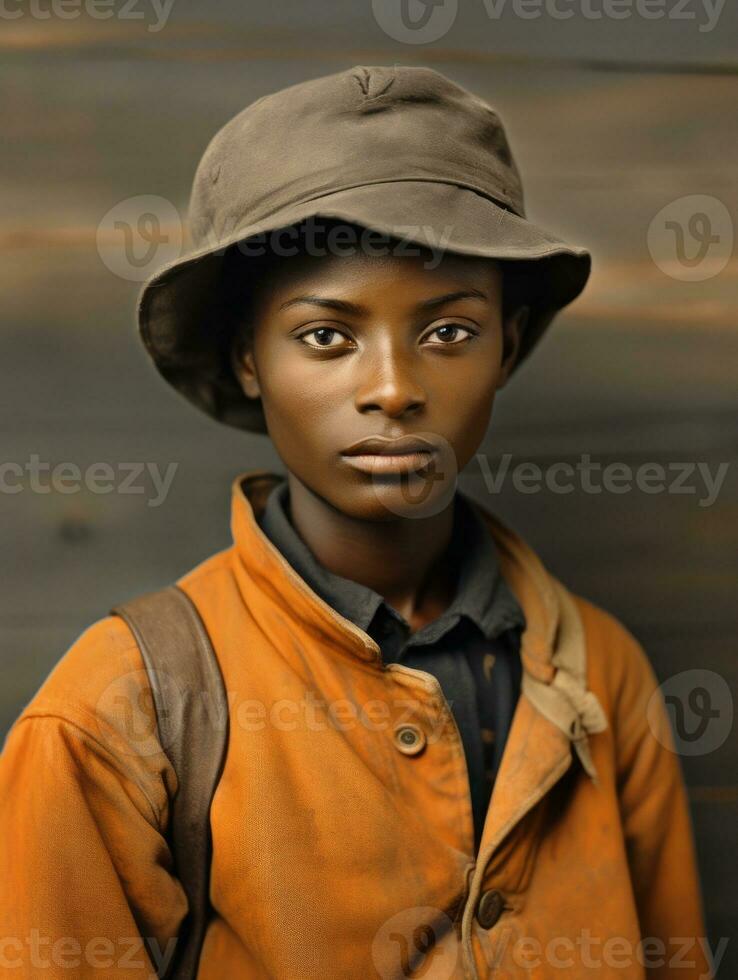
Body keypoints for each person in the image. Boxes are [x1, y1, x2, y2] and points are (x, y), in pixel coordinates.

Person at [0, 66, 712, 979]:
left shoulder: (602, 672)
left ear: (510, 342)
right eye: (326, 336)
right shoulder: (120, 708)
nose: (393, 388)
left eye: (449, 331)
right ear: (246, 359)